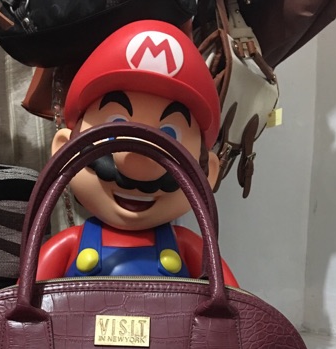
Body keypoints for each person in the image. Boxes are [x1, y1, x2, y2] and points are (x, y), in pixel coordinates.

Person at [35, 19, 239, 287]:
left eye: (169, 136)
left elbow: (236, 304)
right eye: (117, 126)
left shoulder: (189, 246)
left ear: (207, 173)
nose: (139, 159)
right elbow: (21, 300)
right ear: (65, 150)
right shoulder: (69, 244)